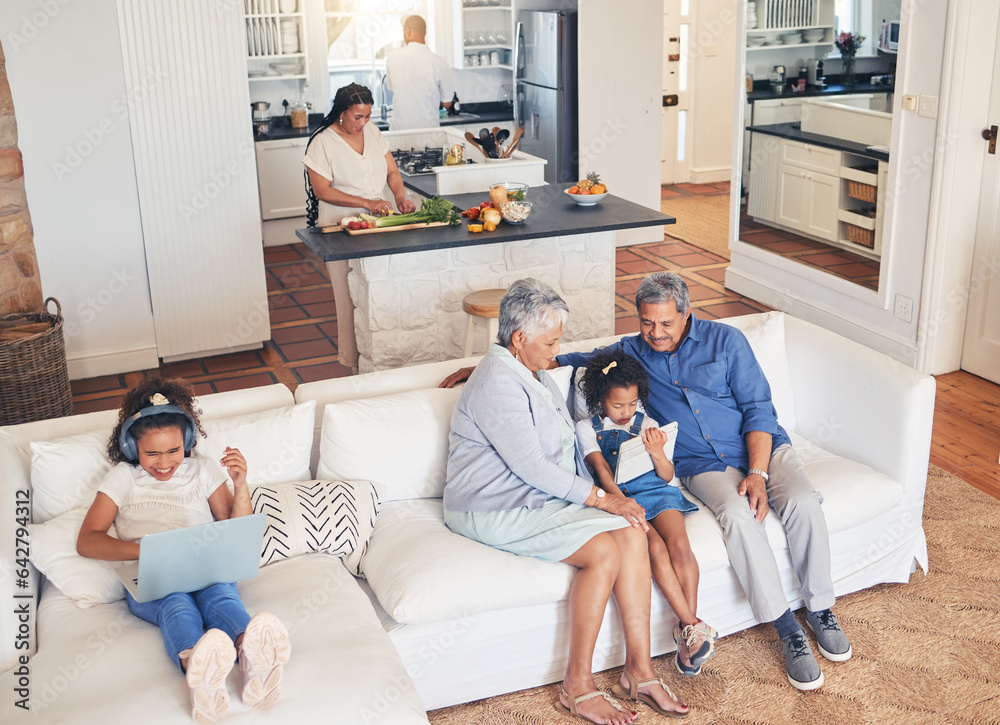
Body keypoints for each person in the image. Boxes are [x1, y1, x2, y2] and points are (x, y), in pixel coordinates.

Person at [557, 272, 851, 691]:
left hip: (761, 450)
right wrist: (503, 363)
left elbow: (758, 409)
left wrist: (757, 472)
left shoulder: (727, 342)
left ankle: (821, 609)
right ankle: (786, 628)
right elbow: (578, 358)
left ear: (686, 313)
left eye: (665, 323)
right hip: (700, 464)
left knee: (803, 500)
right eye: (646, 323)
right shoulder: (631, 352)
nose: (655, 334)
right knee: (736, 511)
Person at [444, 279, 689, 724]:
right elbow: (532, 468)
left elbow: (569, 440)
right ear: (519, 338)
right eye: (551, 341)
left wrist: (612, 496)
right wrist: (601, 500)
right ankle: (577, 685)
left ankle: (640, 671)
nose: (556, 350)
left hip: (537, 498)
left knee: (633, 535)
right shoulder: (499, 381)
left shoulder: (530, 371)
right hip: (493, 506)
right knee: (603, 552)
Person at [77, 377, 291, 724]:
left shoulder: (203, 469)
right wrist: (145, 550)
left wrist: (240, 485)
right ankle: (201, 679)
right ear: (133, 448)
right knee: (176, 604)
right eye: (152, 453)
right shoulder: (123, 478)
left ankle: (255, 663)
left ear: (187, 441)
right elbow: (88, 540)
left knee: (222, 595)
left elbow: (233, 528)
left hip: (205, 566)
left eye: (174, 450)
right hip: (152, 575)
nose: (165, 462)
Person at [576, 350, 718, 677]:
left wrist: (656, 451)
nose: (627, 412)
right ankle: (693, 627)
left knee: (680, 546)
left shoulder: (648, 423)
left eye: (632, 404)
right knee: (653, 547)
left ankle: (689, 636)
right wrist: (620, 502)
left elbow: (667, 475)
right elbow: (600, 470)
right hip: (621, 495)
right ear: (600, 400)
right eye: (618, 406)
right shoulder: (586, 428)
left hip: (657, 490)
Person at [303, 82, 416, 370]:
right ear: (342, 113)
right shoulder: (322, 143)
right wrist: (367, 203)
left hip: (374, 226)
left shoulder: (374, 133)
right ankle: (352, 365)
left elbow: (392, 171)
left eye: (367, 116)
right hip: (338, 229)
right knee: (347, 298)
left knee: (374, 293)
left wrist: (400, 197)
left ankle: (376, 361)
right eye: (357, 117)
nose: (363, 123)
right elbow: (322, 191)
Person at [385, 15, 454, 131]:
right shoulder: (439, 63)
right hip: (428, 130)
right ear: (424, 32)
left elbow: (392, 87)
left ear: (408, 31)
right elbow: (447, 103)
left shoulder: (392, 58)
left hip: (400, 130)